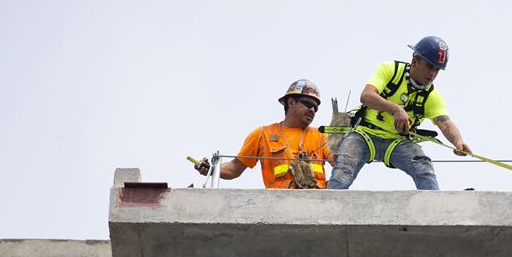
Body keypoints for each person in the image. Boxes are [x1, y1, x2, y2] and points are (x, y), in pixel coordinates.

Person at [327, 36, 472, 190]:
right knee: (344, 167)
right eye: (430, 66)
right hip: (364, 134)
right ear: (415, 60)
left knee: (423, 167)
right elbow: (366, 96)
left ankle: (433, 207)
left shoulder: (431, 96)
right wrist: (395, 109)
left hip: (397, 142)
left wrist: (458, 142)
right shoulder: (391, 70)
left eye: (437, 69)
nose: (433, 73)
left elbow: (444, 122)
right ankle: (329, 207)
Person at [195, 79, 334, 189]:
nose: (312, 110)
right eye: (308, 104)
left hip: (316, 204)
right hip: (279, 205)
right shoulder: (263, 135)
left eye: (316, 107)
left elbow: (340, 163)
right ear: (291, 102)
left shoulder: (321, 136)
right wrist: (213, 169)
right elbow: (234, 168)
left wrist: (345, 138)